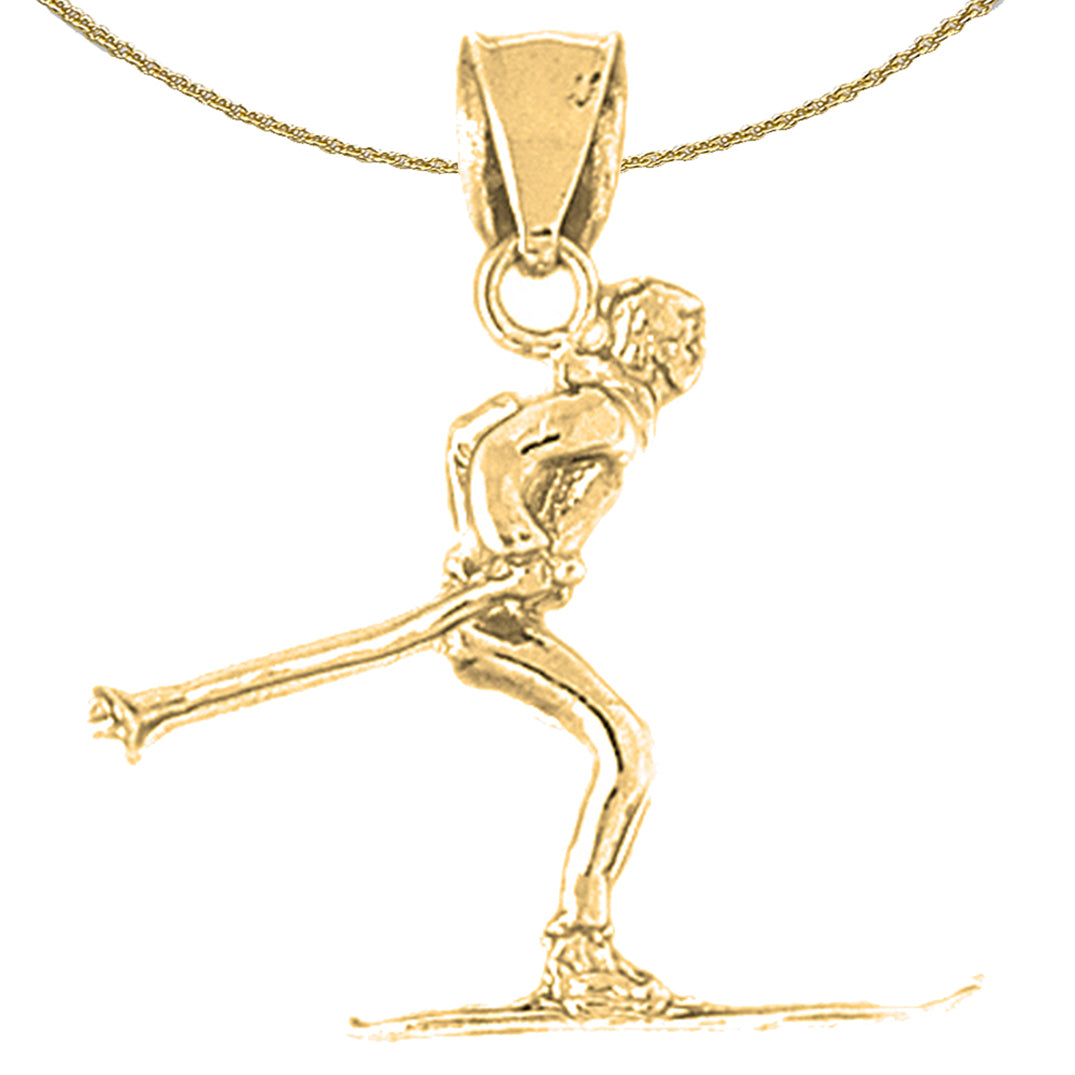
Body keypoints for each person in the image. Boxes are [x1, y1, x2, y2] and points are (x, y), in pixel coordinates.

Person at [438, 277, 705, 1017]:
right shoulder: (604, 413)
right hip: (492, 621)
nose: (694, 351)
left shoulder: (614, 412)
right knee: (628, 751)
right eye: (681, 336)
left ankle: (582, 946)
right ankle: (580, 951)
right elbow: (494, 450)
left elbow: (471, 441)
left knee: (626, 750)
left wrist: (522, 554)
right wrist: (516, 545)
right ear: (642, 342)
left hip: (503, 614)